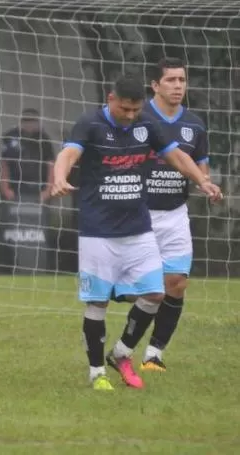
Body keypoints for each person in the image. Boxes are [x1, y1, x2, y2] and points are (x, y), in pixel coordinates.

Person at [49, 73, 220, 391]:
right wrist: (59, 177)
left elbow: (177, 156)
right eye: (125, 109)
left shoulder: (146, 125)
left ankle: (122, 352)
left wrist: (202, 180)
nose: (130, 116)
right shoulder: (90, 124)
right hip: (98, 230)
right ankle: (96, 371)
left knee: (156, 293)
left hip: (138, 228)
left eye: (135, 110)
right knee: (97, 302)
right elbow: (69, 153)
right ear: (111, 99)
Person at [137, 58, 211, 371]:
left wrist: (207, 185)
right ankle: (125, 344)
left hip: (175, 214)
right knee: (141, 289)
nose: (178, 86)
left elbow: (201, 170)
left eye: (182, 80)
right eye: (171, 80)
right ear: (155, 85)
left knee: (176, 283)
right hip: (137, 213)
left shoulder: (194, 124)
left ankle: (154, 354)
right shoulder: (137, 118)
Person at [0, 108, 55, 202]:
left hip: (38, 186)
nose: (29, 123)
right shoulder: (10, 137)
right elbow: (4, 165)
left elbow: (51, 166)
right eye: (25, 120)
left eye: (32, 120)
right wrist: (5, 188)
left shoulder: (44, 140)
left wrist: (48, 190)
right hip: (15, 186)